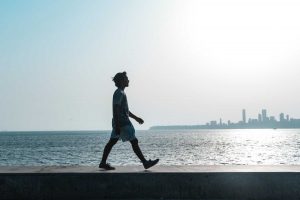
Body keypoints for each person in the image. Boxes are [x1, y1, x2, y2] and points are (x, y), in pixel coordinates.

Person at [99, 71, 159, 170]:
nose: (128, 80)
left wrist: (136, 118)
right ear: (122, 81)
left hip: (120, 122)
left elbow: (125, 110)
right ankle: (145, 162)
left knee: (113, 142)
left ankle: (103, 162)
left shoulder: (121, 92)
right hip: (122, 123)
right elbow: (116, 108)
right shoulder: (119, 93)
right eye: (126, 79)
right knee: (134, 141)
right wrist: (118, 125)